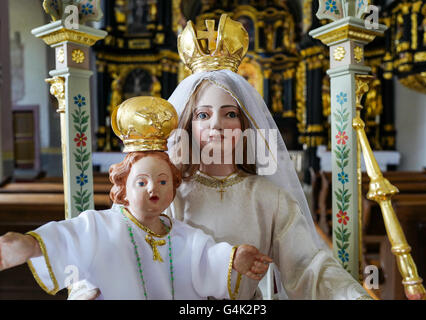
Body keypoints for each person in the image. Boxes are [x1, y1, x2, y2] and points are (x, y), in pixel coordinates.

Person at [69, 14, 373, 300]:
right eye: (203, 114)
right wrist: (87, 288)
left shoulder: (269, 198)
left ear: (244, 125)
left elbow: (309, 266)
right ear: (188, 125)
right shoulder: (164, 191)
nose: (217, 124)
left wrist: (353, 294)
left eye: (230, 114)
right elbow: (115, 247)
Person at [0, 97, 272, 300]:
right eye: (141, 182)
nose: (153, 188)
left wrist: (234, 258)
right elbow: (67, 237)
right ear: (123, 188)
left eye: (163, 181)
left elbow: (206, 259)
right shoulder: (100, 226)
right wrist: (27, 245)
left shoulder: (182, 235)